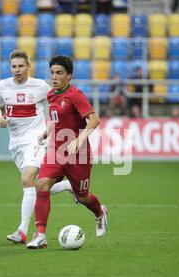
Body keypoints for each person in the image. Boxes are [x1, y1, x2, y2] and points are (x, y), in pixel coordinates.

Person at [0, 50, 74, 245]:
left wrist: (57, 127)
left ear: (29, 67)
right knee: (35, 187)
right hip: (16, 143)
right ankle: (69, 186)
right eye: (13, 66)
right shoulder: (3, 86)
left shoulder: (40, 86)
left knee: (27, 178)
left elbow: (59, 101)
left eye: (21, 66)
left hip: (36, 140)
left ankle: (22, 231)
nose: (17, 70)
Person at [26, 55, 108, 249]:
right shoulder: (51, 95)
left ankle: (99, 212)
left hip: (78, 155)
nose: (54, 77)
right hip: (56, 150)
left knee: (82, 197)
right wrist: (46, 133)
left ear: (69, 76)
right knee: (42, 184)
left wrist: (79, 140)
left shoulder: (75, 95)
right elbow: (55, 120)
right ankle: (40, 235)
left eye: (59, 73)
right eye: (52, 73)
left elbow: (95, 119)